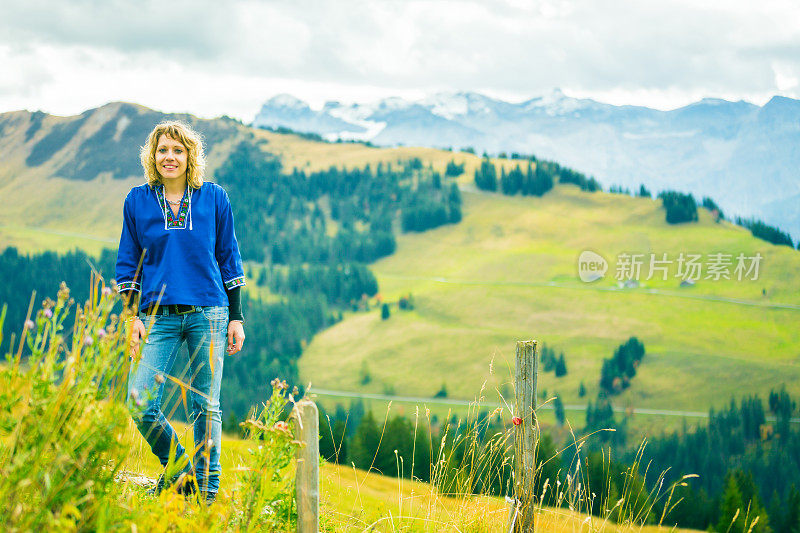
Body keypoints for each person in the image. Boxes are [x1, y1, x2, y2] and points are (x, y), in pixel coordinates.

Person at [115, 120, 246, 505]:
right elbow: (128, 264)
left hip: (210, 312)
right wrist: (131, 316)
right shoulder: (137, 201)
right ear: (152, 157)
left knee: (204, 406)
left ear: (190, 156)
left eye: (177, 150)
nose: (169, 157)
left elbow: (229, 257)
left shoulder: (213, 198)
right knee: (140, 401)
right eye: (162, 151)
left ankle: (204, 496)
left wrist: (236, 317)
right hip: (159, 317)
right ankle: (181, 473)